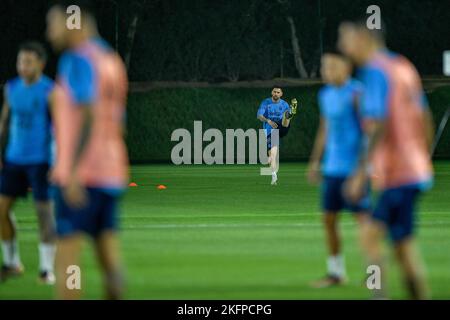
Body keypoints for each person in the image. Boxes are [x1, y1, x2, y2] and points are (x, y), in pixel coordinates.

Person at [338, 20, 434, 299]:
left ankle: (379, 297)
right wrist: (421, 158)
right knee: (404, 249)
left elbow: (377, 123)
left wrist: (358, 173)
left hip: (398, 174)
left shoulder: (375, 72)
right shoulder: (403, 66)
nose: (344, 46)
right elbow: (424, 118)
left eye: (347, 39)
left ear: (364, 38)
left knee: (369, 236)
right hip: (413, 170)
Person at [46, 0, 129, 299]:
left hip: (82, 175)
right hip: (111, 171)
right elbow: (119, 124)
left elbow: (89, 113)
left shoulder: (77, 60)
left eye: (53, 24)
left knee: (68, 261)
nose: (50, 32)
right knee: (110, 260)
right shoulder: (112, 60)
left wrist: (74, 173)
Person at [307, 51, 370, 288]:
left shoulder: (357, 93)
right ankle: (336, 273)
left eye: (332, 66)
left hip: (354, 168)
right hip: (332, 169)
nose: (326, 71)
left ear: (346, 68)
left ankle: (373, 274)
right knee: (328, 219)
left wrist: (364, 167)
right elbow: (324, 129)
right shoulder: (325, 94)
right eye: (324, 67)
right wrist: (315, 161)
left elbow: (369, 131)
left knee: (364, 221)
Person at [0, 41, 56, 284]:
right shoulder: (11, 88)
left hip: (41, 161)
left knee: (44, 213)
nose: (23, 66)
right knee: (1, 210)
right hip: (14, 160)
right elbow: (4, 122)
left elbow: (61, 128)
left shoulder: (50, 91)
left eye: (28, 62)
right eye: (20, 61)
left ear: (40, 64)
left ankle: (46, 269)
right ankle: (12, 263)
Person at [257, 86, 298, 185]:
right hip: (271, 131)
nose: (276, 93)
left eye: (278, 92)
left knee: (286, 117)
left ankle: (291, 112)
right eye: (274, 92)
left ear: (281, 94)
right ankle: (274, 175)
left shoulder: (284, 104)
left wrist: (289, 115)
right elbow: (259, 116)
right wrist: (268, 120)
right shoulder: (266, 103)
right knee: (272, 155)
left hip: (282, 126)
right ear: (272, 92)